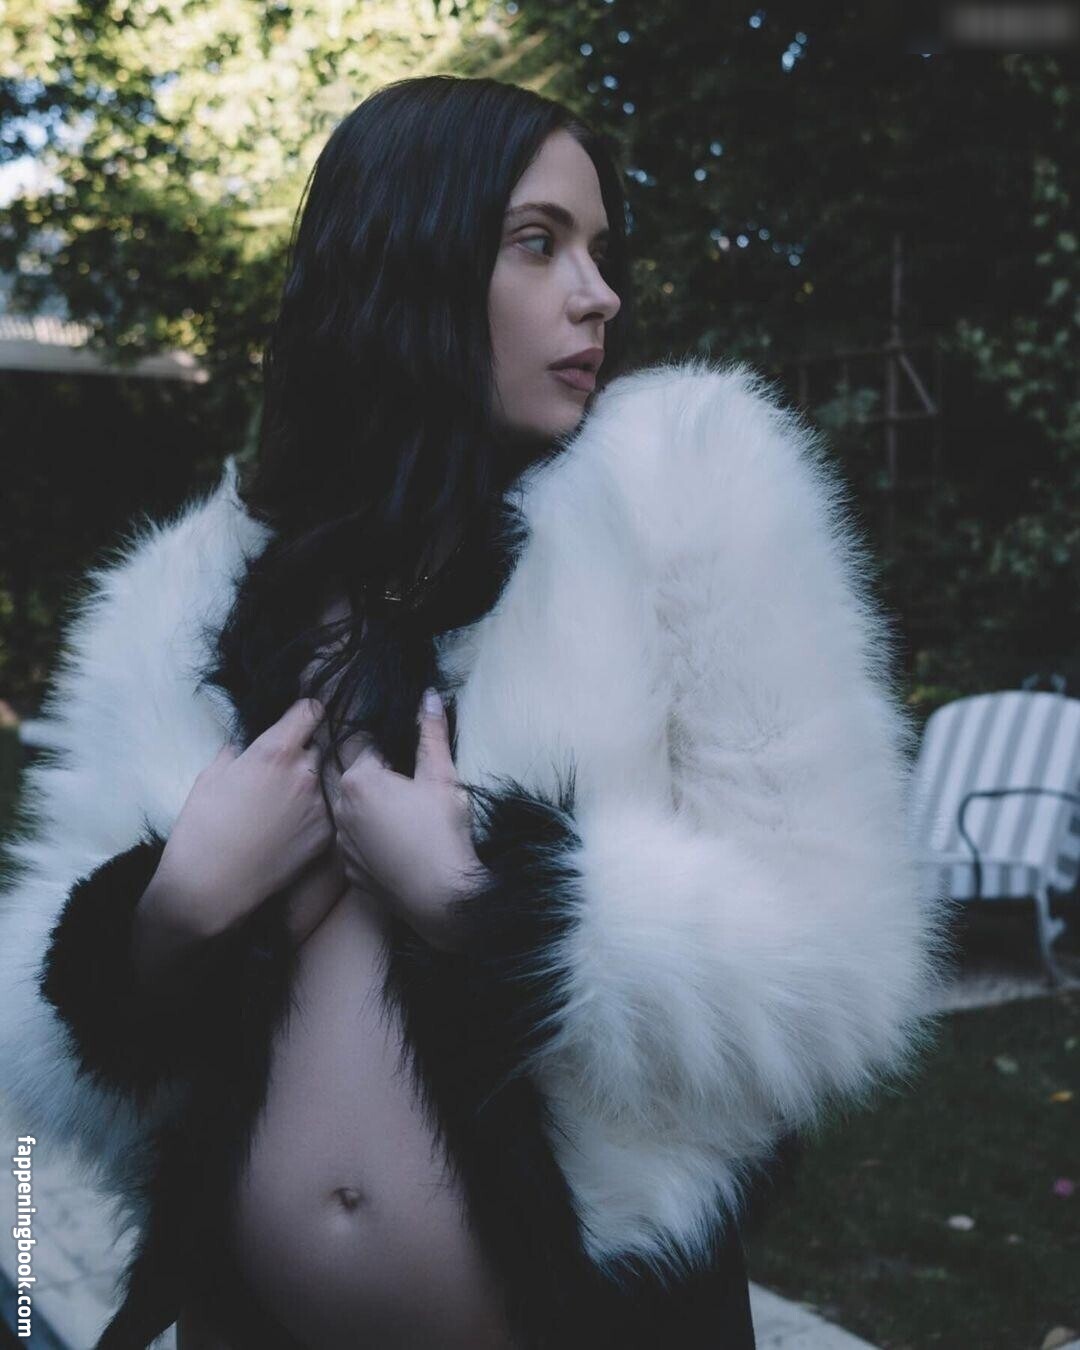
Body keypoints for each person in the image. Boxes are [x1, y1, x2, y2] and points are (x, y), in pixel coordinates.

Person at [0, 75, 955, 1350]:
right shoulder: (192, 586)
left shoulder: (689, 488)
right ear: (406, 260)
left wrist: (492, 904)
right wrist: (174, 911)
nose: (599, 294)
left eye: (601, 251)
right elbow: (41, 1045)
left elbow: (842, 973)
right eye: (539, 243)